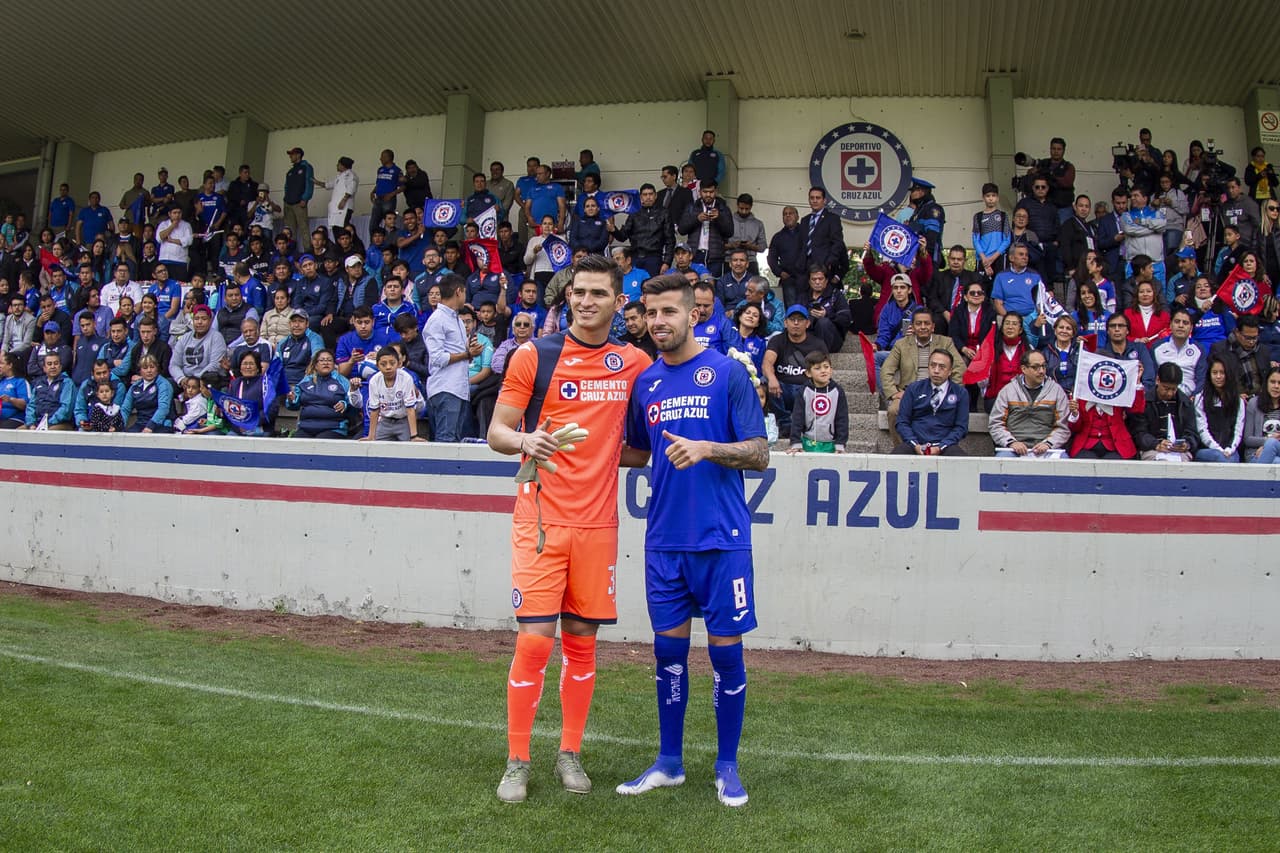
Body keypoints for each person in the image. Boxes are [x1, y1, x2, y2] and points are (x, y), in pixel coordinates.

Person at [486, 254, 650, 803]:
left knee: (582, 643)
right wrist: (524, 441)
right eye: (578, 292)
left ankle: (569, 752)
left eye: (598, 294)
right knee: (535, 642)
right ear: (568, 296)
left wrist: (611, 455)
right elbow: (498, 432)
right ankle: (517, 760)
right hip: (539, 520)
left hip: (598, 526)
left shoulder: (633, 363)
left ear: (618, 301)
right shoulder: (536, 355)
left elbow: (639, 448)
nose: (586, 302)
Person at [618, 273, 767, 808]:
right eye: (651, 314)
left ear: (692, 316)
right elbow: (637, 450)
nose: (659, 322)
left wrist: (708, 448)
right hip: (664, 541)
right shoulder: (646, 384)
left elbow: (759, 452)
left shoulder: (726, 374)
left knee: (727, 657)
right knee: (668, 656)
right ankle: (669, 762)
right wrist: (580, 450)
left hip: (722, 542)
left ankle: (727, 766)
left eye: (669, 313)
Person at [424, 274, 483, 442]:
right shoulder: (437, 319)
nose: (466, 296)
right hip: (445, 387)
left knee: (455, 439)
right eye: (464, 292)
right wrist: (467, 354)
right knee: (445, 439)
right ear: (459, 291)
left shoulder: (456, 318)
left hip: (458, 387)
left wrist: (470, 350)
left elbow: (457, 351)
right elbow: (437, 358)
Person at [988, 350, 1070, 458]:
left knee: (1064, 460)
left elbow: (1063, 427)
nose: (1041, 371)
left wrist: (1048, 443)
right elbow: (996, 424)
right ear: (1024, 369)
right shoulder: (1008, 391)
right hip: (1014, 448)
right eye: (1035, 367)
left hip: (1047, 448)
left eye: (1043, 366)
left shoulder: (1056, 391)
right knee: (1002, 460)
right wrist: (1011, 443)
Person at [892, 349, 969, 455]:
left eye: (942, 367)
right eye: (933, 365)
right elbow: (902, 422)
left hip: (945, 446)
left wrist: (941, 446)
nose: (936, 370)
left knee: (960, 459)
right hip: (916, 444)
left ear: (950, 371)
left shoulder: (960, 393)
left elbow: (961, 427)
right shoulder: (913, 389)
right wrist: (914, 444)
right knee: (898, 454)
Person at [1128, 361, 1199, 461]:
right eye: (1166, 388)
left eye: (1173, 389)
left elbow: (1192, 432)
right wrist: (1155, 444)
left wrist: (1186, 444)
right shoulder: (1144, 402)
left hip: (1179, 452)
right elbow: (1139, 432)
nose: (1170, 393)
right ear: (1157, 380)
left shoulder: (1185, 403)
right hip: (1152, 449)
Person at [787, 350, 848, 454]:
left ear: (831, 369)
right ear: (808, 373)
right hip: (808, 443)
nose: (823, 371)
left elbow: (842, 419)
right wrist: (796, 442)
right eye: (817, 368)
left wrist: (840, 444)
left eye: (826, 367)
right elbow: (797, 417)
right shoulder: (804, 391)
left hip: (831, 444)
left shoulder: (837, 391)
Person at [360, 348, 424, 442]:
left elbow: (410, 408)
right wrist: (371, 436)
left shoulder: (406, 378)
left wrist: (414, 436)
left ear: (398, 364)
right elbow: (374, 410)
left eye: (392, 363)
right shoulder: (374, 381)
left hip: (404, 419)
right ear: (377, 366)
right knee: (375, 446)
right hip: (385, 420)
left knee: (409, 448)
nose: (388, 367)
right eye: (383, 364)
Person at [1192, 354, 1245, 463]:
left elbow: (1238, 430)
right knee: (1220, 458)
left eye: (1222, 373)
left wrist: (1230, 449)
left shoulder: (1238, 401)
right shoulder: (1200, 399)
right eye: (1214, 373)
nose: (1218, 376)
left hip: (1230, 450)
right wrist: (1219, 450)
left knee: (1233, 459)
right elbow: (1202, 430)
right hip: (1206, 449)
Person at [677, 180, 733, 277]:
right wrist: (697, 219)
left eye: (711, 192)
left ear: (716, 192)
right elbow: (681, 230)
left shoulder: (723, 208)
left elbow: (729, 232)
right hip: (695, 254)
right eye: (705, 192)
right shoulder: (692, 207)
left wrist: (719, 218)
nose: (708, 195)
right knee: (693, 284)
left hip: (715, 256)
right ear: (700, 192)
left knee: (713, 285)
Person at [928, 244, 985, 330]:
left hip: (966, 315)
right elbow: (932, 299)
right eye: (953, 259)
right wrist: (945, 312)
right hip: (943, 315)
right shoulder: (939, 276)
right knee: (936, 320)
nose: (955, 262)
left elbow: (981, 299)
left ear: (964, 261)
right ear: (948, 259)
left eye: (959, 259)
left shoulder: (975, 278)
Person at [21, 352, 75, 430]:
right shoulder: (39, 383)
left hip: (59, 423)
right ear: (44, 368)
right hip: (38, 422)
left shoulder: (67, 382)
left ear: (60, 367)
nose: (53, 367)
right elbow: (31, 406)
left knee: (49, 432)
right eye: (49, 364)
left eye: (56, 363)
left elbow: (66, 409)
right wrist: (31, 423)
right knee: (18, 431)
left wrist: (48, 423)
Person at [767, 206, 806, 304]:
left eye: (791, 213)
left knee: (808, 308)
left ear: (797, 216)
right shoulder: (778, 237)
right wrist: (779, 272)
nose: (788, 216)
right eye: (785, 214)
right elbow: (771, 258)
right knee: (792, 309)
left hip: (806, 277)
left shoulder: (806, 233)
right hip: (788, 279)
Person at [971, 183, 1011, 277]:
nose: (991, 198)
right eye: (988, 196)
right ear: (983, 198)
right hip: (983, 259)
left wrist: (993, 258)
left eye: (993, 196)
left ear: (997, 198)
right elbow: (975, 239)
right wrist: (984, 259)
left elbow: (1007, 239)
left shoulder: (1003, 216)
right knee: (982, 287)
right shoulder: (978, 216)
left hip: (999, 257)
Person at [905, 178, 945, 267]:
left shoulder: (932, 209)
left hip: (928, 258)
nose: (911, 195)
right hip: (917, 257)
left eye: (913, 191)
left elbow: (931, 237)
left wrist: (926, 259)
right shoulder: (919, 210)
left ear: (921, 191)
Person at [1243, 367, 1280, 463]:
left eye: (1279, 383)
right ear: (1266, 383)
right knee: (1276, 461)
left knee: (1272, 444)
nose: (1276, 386)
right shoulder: (1253, 403)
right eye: (1272, 382)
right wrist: (1267, 441)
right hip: (1255, 454)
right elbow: (1247, 439)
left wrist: (1266, 446)